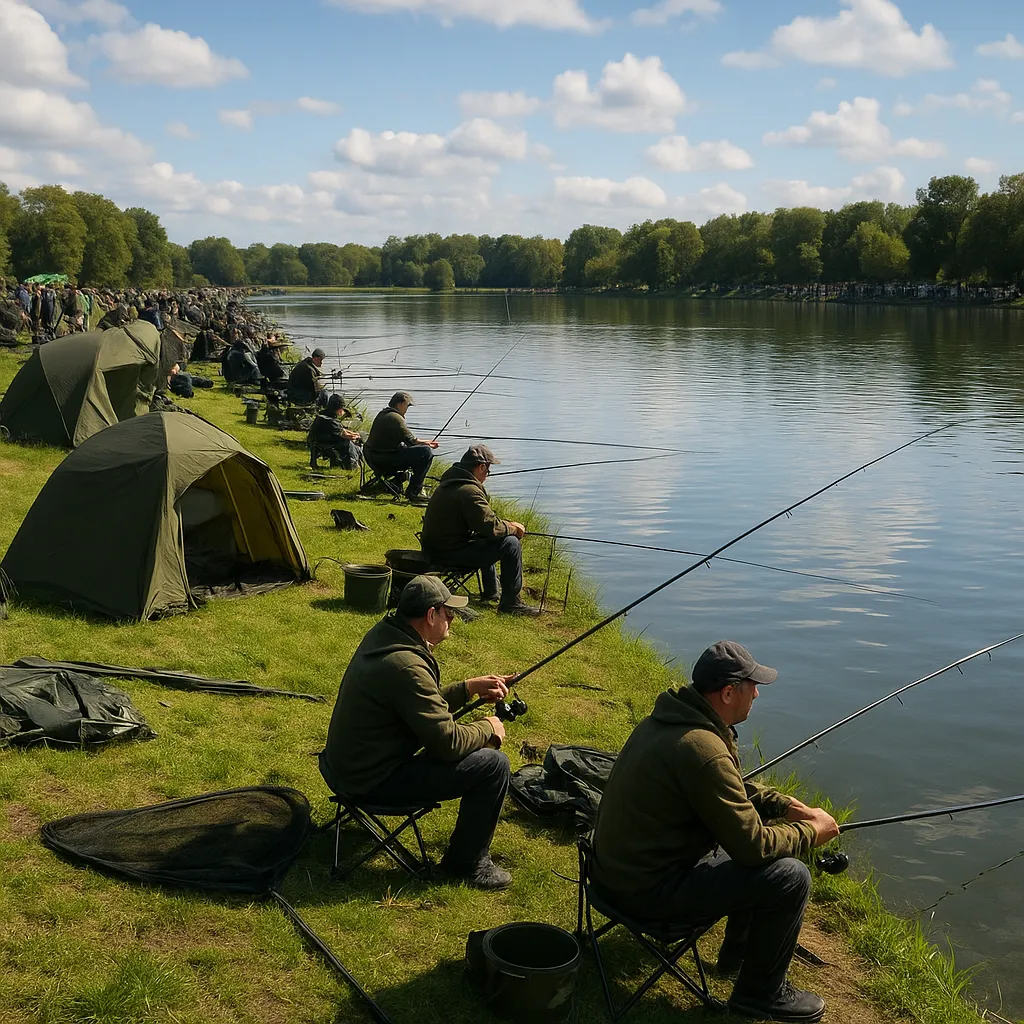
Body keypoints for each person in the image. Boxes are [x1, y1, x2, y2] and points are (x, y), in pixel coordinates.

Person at [591, 641, 839, 1023]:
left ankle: (737, 958)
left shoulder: (673, 720)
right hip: (644, 895)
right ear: (727, 692)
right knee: (789, 874)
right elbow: (753, 847)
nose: (757, 693)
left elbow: (725, 787)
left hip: (609, 875)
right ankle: (760, 996)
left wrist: (779, 803)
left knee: (763, 842)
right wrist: (811, 832)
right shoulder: (703, 749)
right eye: (752, 686)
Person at [318, 576, 515, 890]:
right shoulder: (407, 666)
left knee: (483, 755)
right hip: (369, 781)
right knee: (494, 766)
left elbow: (417, 704)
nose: (452, 618)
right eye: (447, 612)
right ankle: (466, 864)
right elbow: (447, 744)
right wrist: (487, 728)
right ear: (430, 616)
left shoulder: (386, 635)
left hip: (343, 766)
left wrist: (467, 689)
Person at [420, 445, 538, 616]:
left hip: (434, 550)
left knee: (491, 537)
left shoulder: (450, 483)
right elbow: (490, 527)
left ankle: (491, 592)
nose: (487, 474)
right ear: (481, 467)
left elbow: (484, 524)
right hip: (447, 555)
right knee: (511, 543)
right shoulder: (469, 491)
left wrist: (503, 524)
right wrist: (512, 528)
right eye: (488, 469)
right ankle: (511, 604)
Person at [363, 391, 438, 504]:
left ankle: (397, 482)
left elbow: (408, 441)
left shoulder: (383, 414)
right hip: (384, 461)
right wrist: (427, 444)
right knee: (425, 453)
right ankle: (414, 492)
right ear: (401, 404)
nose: (407, 409)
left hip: (372, 457)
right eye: (407, 405)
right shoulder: (396, 419)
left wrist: (425, 442)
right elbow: (411, 442)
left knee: (417, 449)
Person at [308, 394, 362, 470]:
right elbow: (345, 435)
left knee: (347, 439)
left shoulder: (323, 415)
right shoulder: (331, 421)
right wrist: (357, 437)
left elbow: (341, 430)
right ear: (339, 409)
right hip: (325, 443)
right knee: (348, 442)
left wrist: (354, 433)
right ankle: (352, 465)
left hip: (316, 440)